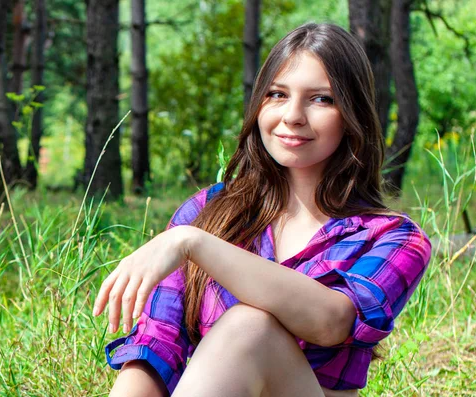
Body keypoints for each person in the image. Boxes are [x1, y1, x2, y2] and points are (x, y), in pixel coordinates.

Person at [92, 22, 431, 397]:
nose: (292, 116)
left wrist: (194, 243)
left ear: (353, 114)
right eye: (277, 94)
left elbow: (331, 321)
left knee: (250, 327)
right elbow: (157, 345)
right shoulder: (209, 210)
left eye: (321, 99)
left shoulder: (394, 237)